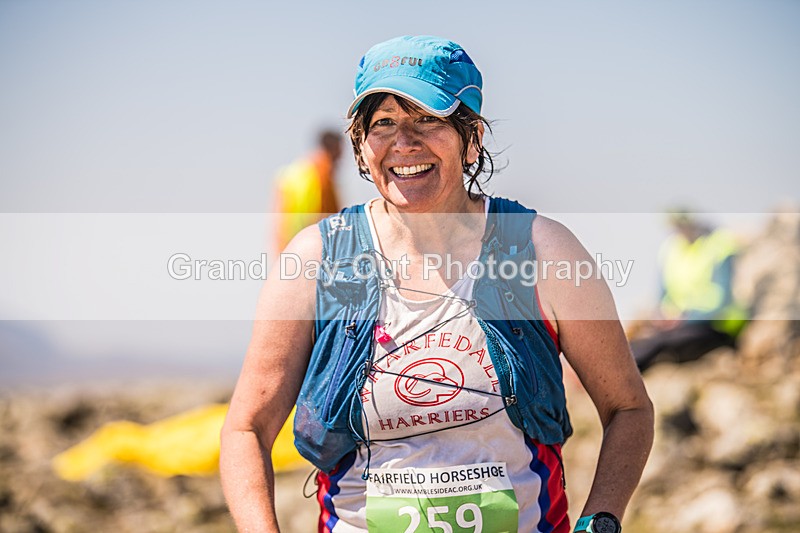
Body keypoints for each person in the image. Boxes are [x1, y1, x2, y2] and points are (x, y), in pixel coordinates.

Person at [221, 35, 653, 533]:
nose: (404, 142)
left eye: (428, 118)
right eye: (383, 122)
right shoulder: (316, 261)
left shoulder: (543, 252)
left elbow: (629, 408)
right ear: (362, 144)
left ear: (472, 138)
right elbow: (246, 428)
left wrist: (599, 521)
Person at [631, 210, 748, 372]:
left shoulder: (719, 245)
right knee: (650, 339)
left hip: (717, 327)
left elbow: (722, 301)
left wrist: (686, 317)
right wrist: (663, 316)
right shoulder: (670, 249)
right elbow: (662, 295)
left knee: (663, 342)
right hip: (680, 325)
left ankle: (626, 370)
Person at [273, 128, 343, 251]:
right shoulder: (322, 172)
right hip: (311, 248)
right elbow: (326, 216)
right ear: (334, 148)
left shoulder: (294, 172)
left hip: (289, 247)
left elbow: (279, 221)